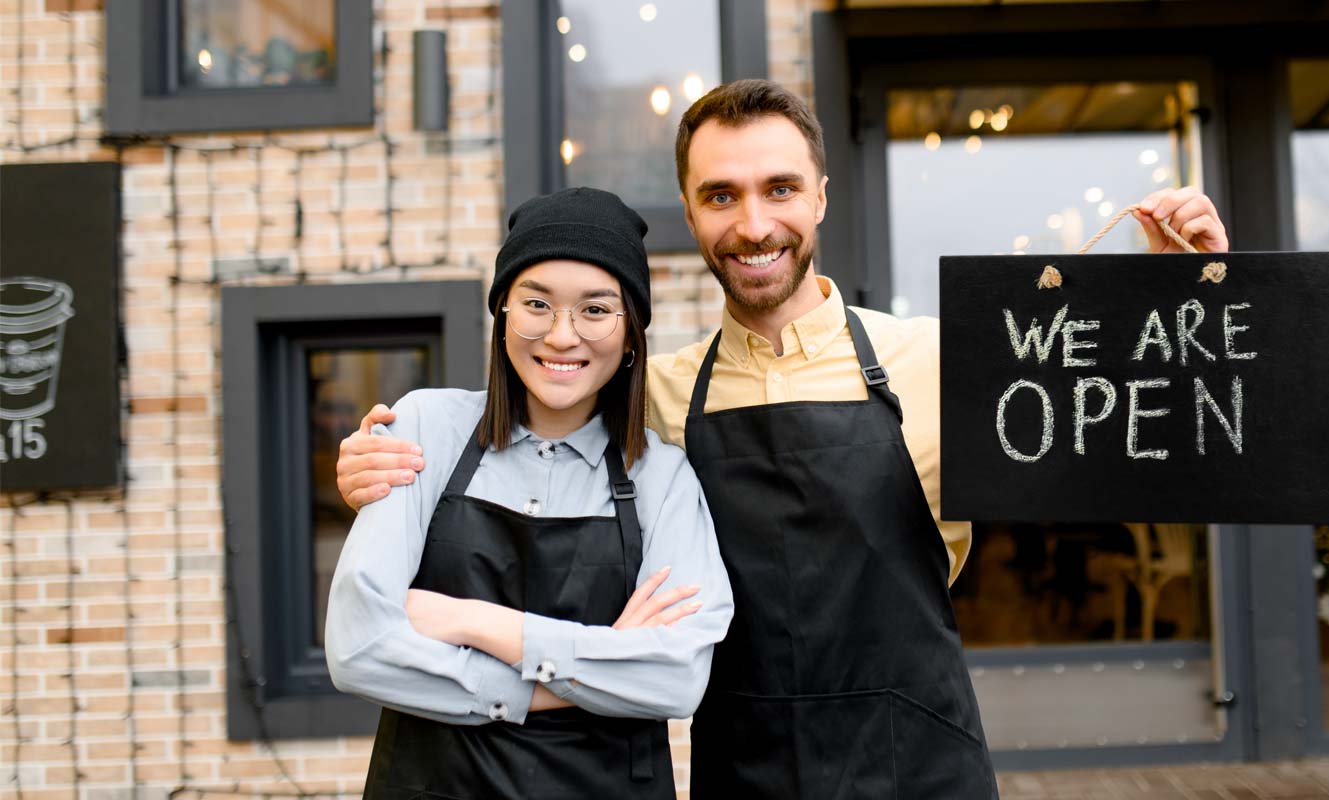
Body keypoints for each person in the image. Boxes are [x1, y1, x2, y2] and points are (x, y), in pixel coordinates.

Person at [335, 79, 1229, 797]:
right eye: (721, 195)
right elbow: (529, 438)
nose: (754, 223)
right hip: (745, 766)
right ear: (691, 213)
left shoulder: (941, 360)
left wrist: (1179, 301)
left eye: (780, 189)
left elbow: (1126, 440)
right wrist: (380, 466)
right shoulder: (654, 398)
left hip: (919, 764)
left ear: (821, 197)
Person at [323, 188, 732, 800]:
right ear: (504, 314)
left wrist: (473, 621)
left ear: (630, 337)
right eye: (537, 303)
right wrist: (581, 671)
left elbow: (673, 680)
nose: (562, 336)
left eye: (596, 310)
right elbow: (359, 646)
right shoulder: (423, 429)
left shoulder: (661, 476)